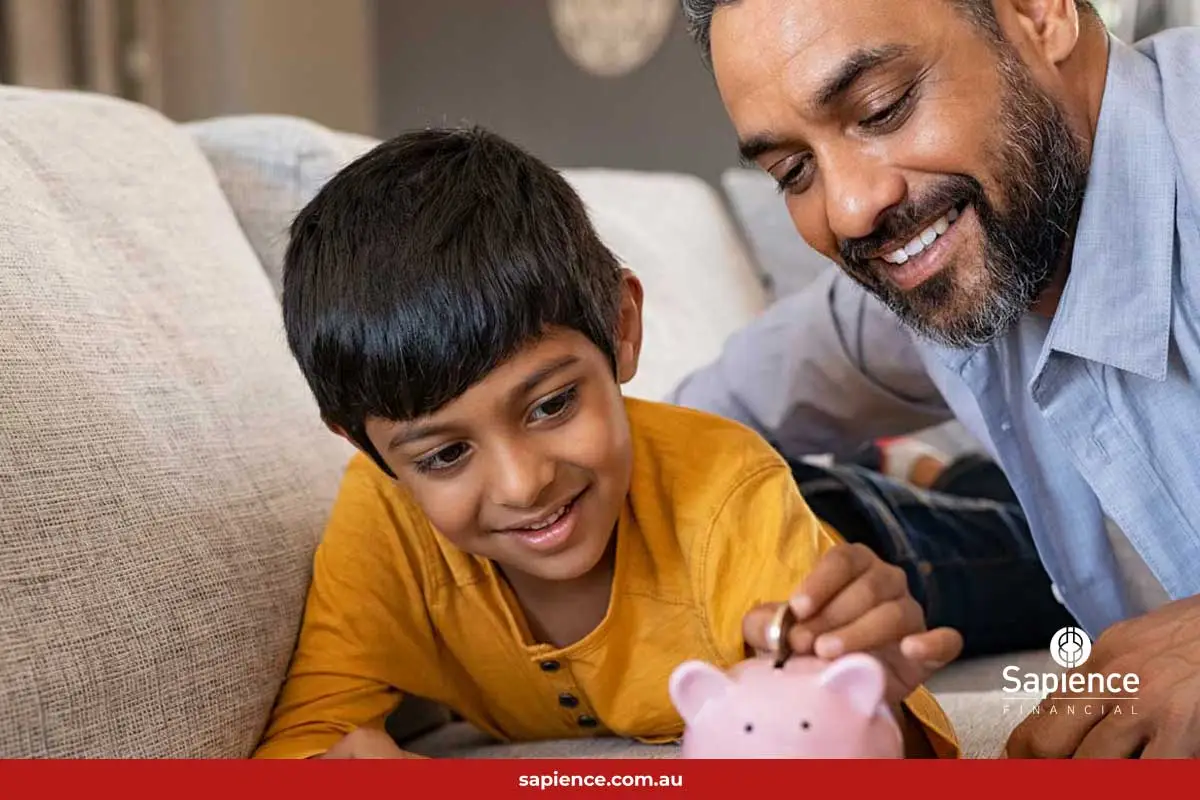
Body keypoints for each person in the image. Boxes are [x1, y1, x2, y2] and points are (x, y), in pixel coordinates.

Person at [253, 126, 962, 759]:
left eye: (551, 404)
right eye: (445, 455)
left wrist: (869, 697)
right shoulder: (384, 522)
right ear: (368, 449)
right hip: (777, 495)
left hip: (866, 536)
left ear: (621, 327)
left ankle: (932, 476)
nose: (523, 484)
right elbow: (311, 731)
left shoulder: (729, 494)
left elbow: (868, 726)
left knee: (993, 541)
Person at [676, 0, 1200, 757]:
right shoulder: (928, 271)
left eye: (882, 109)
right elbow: (676, 436)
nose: (850, 210)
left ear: (1039, 13)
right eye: (794, 172)